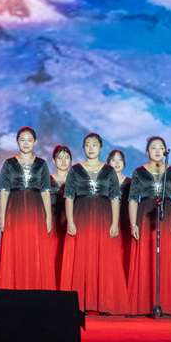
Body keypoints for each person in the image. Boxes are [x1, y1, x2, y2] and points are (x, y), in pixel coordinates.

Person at [58, 133, 128, 315]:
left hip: (104, 217)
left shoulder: (109, 171)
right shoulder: (75, 170)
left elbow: (115, 198)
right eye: (87, 144)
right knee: (82, 258)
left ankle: (104, 303)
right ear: (83, 148)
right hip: (81, 217)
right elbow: (69, 197)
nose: (91, 148)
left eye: (94, 144)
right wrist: (70, 221)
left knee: (104, 259)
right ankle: (81, 303)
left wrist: (114, 223)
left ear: (101, 148)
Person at [127, 136, 171, 315]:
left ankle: (168, 303)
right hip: (145, 215)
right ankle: (144, 303)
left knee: (167, 256)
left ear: (165, 151)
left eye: (161, 148)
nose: (157, 151)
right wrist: (133, 223)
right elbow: (133, 199)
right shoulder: (139, 172)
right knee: (146, 254)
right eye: (153, 148)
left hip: (167, 215)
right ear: (147, 151)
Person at [0, 126, 54, 290]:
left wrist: (48, 217)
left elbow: (45, 192)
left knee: (34, 248)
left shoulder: (41, 164)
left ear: (35, 142)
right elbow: (4, 192)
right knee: (16, 249)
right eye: (22, 140)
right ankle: (13, 290)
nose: (26, 143)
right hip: (14, 211)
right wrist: (2, 217)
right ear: (17, 142)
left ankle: (36, 289)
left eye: (29, 140)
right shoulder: (9, 164)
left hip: (36, 211)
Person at [107, 149, 134, 275]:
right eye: (113, 160)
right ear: (108, 163)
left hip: (126, 221)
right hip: (109, 221)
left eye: (120, 160)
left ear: (124, 163)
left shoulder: (131, 182)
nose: (117, 163)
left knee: (126, 253)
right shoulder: (104, 183)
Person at [49, 145, 72, 286]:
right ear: (53, 160)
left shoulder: (76, 180)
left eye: (67, 158)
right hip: (52, 222)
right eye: (59, 158)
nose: (63, 161)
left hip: (70, 222)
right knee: (52, 256)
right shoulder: (47, 180)